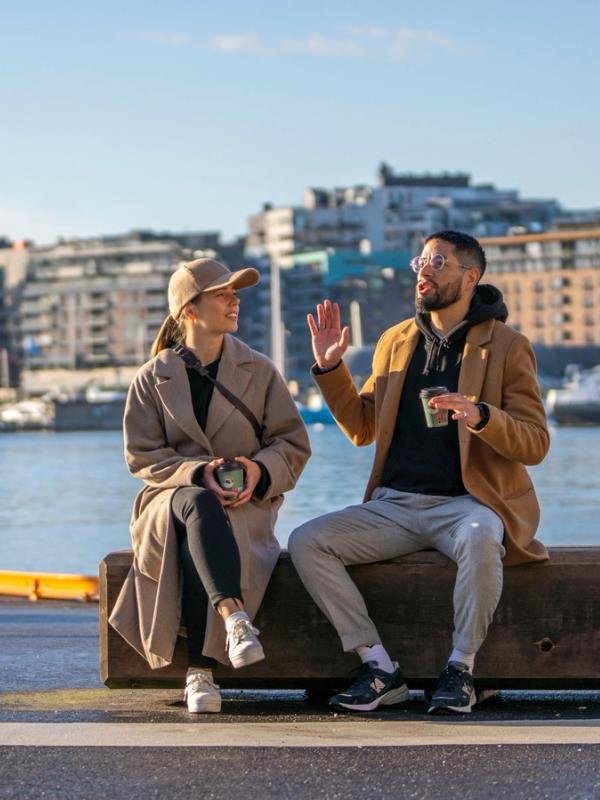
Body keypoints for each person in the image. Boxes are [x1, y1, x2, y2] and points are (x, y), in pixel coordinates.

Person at [288, 230, 549, 714]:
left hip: (469, 504)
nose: (423, 271)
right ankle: (378, 666)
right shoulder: (395, 341)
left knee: (480, 534)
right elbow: (363, 426)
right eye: (420, 261)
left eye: (438, 262)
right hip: (395, 506)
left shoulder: (508, 347)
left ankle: (462, 669)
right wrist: (330, 368)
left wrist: (481, 415)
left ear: (470, 277)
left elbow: (536, 442)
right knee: (307, 540)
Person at [110, 257, 311, 713]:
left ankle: (200, 675)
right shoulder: (151, 378)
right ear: (190, 310)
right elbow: (141, 456)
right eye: (222, 293)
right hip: (166, 501)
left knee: (205, 526)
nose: (234, 300)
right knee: (199, 503)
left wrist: (258, 473)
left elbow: (292, 445)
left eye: (235, 292)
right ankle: (234, 622)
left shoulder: (259, 371)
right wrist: (197, 472)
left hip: (245, 502)